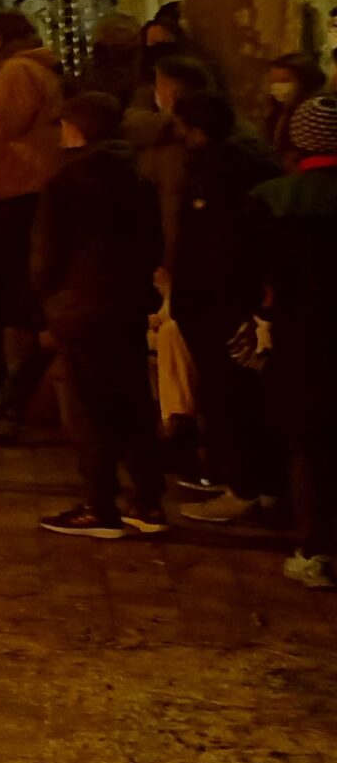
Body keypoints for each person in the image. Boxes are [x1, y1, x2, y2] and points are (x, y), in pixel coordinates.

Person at [35, 94, 170, 539]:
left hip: (82, 302)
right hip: (125, 300)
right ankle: (147, 500)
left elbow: (49, 252)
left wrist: (44, 299)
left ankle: (100, 505)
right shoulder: (136, 175)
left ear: (76, 128)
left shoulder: (68, 180)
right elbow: (154, 238)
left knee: (90, 407)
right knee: (131, 398)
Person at [168, 92, 285, 523]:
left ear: (197, 131)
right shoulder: (248, 162)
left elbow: (217, 247)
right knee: (241, 394)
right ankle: (258, 483)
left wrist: (197, 296)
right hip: (235, 299)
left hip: (220, 302)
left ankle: (245, 486)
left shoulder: (218, 173)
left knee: (230, 394)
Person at [239, 93, 337, 587]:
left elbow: (255, 279)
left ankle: (316, 549)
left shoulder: (272, 199)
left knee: (310, 446)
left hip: (304, 341)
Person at [0, 9, 65, 439]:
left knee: (20, 295)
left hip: (21, 182)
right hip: (35, 179)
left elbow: (7, 123)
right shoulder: (42, 67)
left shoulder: (15, 70)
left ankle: (17, 401)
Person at [263, 51, 329, 170]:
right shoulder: (278, 110)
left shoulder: (316, 114)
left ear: (305, 82)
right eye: (273, 81)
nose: (277, 86)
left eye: (285, 80)